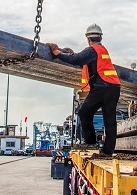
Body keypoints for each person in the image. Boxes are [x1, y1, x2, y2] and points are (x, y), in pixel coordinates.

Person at [48, 23, 121, 156]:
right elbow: (82, 58)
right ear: (100, 38)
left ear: (88, 39)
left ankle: (90, 141)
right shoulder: (102, 50)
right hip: (114, 87)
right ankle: (107, 151)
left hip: (102, 88)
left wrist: (57, 53)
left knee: (84, 112)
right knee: (110, 120)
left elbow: (76, 59)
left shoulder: (92, 50)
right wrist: (68, 53)